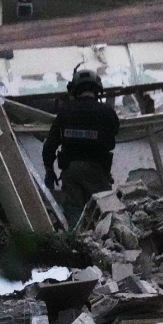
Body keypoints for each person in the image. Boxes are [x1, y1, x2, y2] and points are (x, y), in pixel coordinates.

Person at [43, 68, 119, 226]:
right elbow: (115, 132)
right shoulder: (106, 112)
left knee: (75, 219)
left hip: (72, 171)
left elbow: (50, 145)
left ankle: (79, 247)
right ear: (97, 89)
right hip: (97, 171)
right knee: (104, 216)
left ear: (75, 89)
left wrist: (49, 170)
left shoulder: (65, 112)